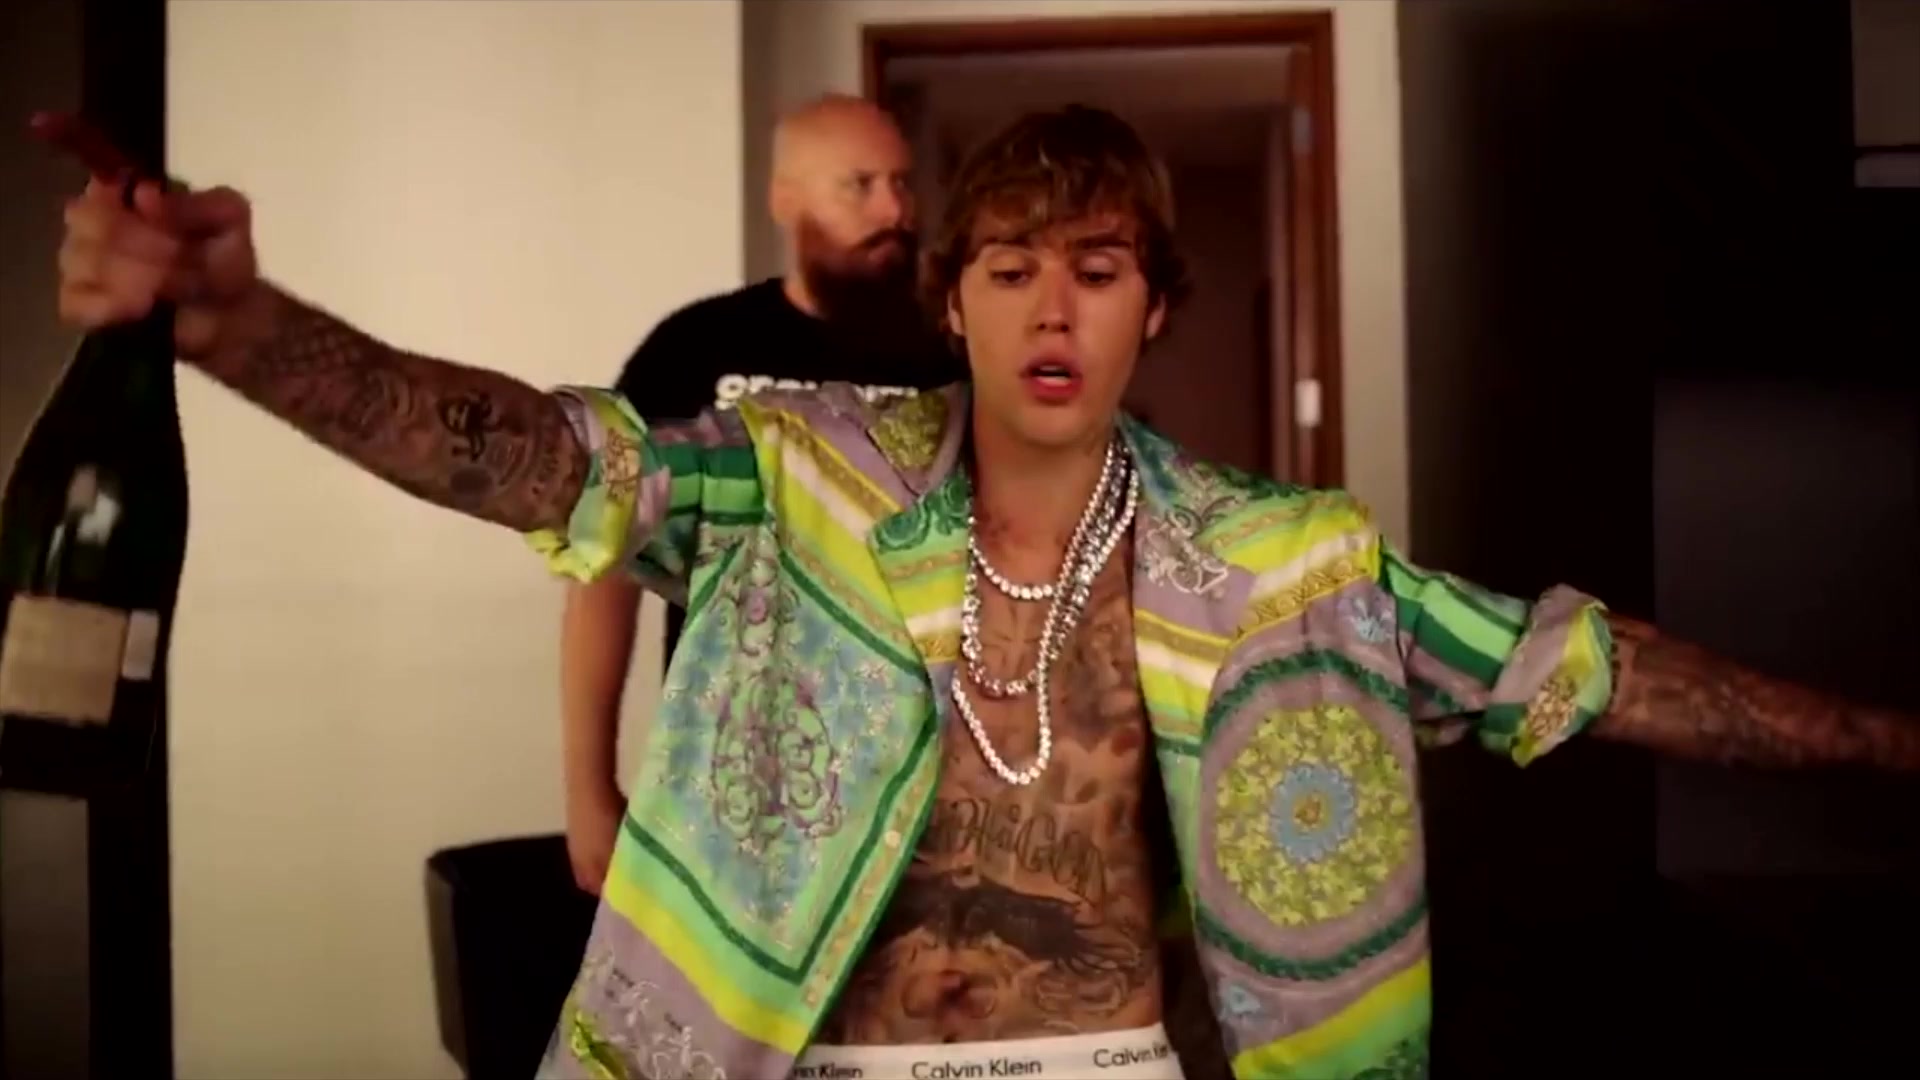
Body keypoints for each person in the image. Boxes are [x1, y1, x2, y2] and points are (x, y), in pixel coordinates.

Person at [52, 104, 1919, 1080]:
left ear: (1154, 306)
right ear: (949, 300)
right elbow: (538, 460)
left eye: (1097, 269)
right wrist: (241, 327)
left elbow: (1569, 668)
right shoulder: (793, 479)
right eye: (1010, 266)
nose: (1051, 307)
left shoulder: (1283, 568)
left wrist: (1898, 743)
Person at [561, 94, 962, 896]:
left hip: (921, 799)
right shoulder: (695, 349)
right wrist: (587, 789)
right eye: (860, 185)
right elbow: (603, 565)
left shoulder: (950, 355)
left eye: (901, 183)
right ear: (787, 199)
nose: (894, 210)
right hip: (726, 792)